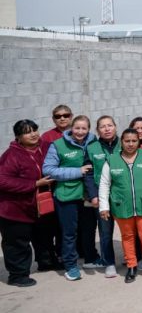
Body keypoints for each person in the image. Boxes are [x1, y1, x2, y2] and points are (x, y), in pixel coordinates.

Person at [99, 129, 142, 283]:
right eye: (127, 141)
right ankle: (131, 266)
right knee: (127, 237)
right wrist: (104, 206)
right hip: (121, 206)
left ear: (139, 141)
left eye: (134, 141)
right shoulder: (112, 159)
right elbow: (104, 184)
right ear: (121, 142)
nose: (130, 144)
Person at [42, 115, 99, 281]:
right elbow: (48, 170)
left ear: (89, 129)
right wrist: (77, 171)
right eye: (77, 128)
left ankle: (91, 257)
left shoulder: (93, 142)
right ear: (71, 128)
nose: (80, 131)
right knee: (69, 233)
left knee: (89, 229)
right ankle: (70, 265)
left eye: (84, 128)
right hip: (66, 195)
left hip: (88, 195)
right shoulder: (58, 145)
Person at [0, 120, 56, 287]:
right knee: (17, 243)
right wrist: (34, 184)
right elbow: (3, 180)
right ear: (18, 137)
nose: (33, 134)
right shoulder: (11, 155)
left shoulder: (46, 147)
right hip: (15, 208)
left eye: (34, 130)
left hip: (40, 205)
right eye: (27, 132)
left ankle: (46, 263)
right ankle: (18, 275)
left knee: (44, 237)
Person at [85, 116, 121, 278]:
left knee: (129, 230)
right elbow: (88, 174)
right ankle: (109, 263)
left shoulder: (125, 143)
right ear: (97, 130)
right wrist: (93, 196)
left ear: (115, 127)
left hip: (123, 195)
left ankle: (135, 259)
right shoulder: (91, 148)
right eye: (102, 126)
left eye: (110, 125)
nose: (107, 129)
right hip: (102, 196)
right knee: (105, 232)